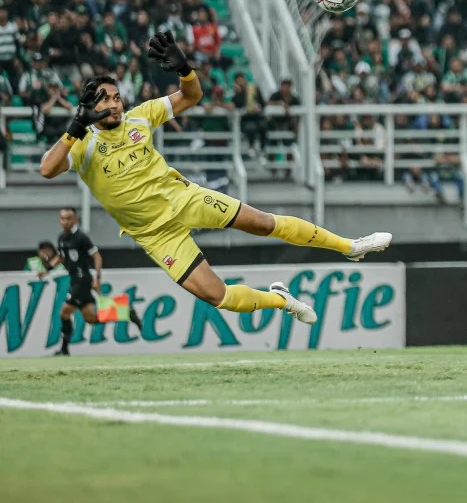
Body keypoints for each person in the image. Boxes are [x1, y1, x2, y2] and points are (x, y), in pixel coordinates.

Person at [38, 32, 391, 324]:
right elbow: (47, 169)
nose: (115, 104)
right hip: (155, 235)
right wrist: (76, 125)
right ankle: (281, 300)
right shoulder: (82, 144)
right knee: (216, 296)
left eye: (117, 97)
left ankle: (350, 246)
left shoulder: (140, 116)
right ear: (90, 105)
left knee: (262, 223)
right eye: (106, 100)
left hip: (184, 198)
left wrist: (185, 69)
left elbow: (192, 96)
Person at [37, 207, 143, 356]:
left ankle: (64, 349)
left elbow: (97, 256)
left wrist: (97, 278)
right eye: (62, 218)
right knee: (91, 318)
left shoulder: (81, 237)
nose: (65, 221)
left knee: (64, 312)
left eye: (69, 218)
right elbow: (61, 257)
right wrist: (47, 270)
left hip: (82, 281)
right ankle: (126, 312)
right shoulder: (62, 238)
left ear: (76, 220)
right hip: (74, 281)